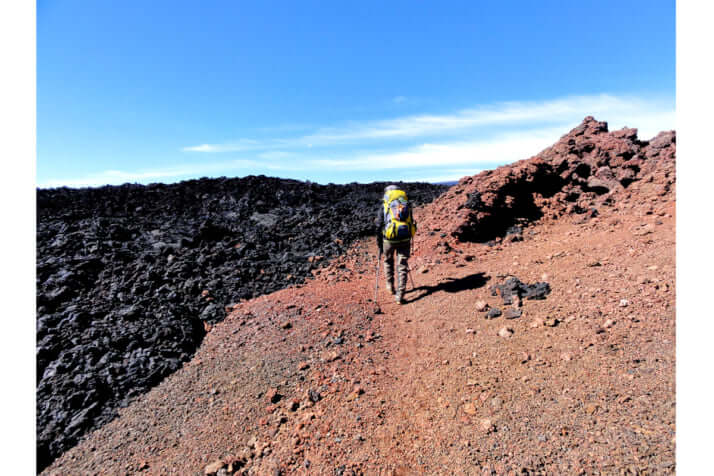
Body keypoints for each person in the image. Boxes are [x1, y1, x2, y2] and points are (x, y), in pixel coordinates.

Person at [376, 184, 417, 304]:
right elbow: (411, 221)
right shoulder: (406, 204)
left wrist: (379, 243)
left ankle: (390, 286)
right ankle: (400, 295)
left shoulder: (385, 205)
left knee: (388, 261)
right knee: (402, 265)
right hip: (405, 238)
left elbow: (378, 224)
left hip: (389, 239)